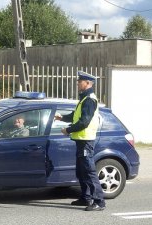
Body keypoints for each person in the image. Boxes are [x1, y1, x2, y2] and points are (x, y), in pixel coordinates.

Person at [55, 71, 106, 211]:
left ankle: (99, 201)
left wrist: (68, 130)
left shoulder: (89, 100)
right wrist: (62, 118)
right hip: (81, 140)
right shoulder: (84, 99)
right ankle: (86, 198)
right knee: (82, 171)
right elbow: (75, 116)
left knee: (89, 171)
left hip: (86, 141)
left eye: (80, 81)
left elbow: (84, 122)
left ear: (88, 83)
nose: (78, 83)